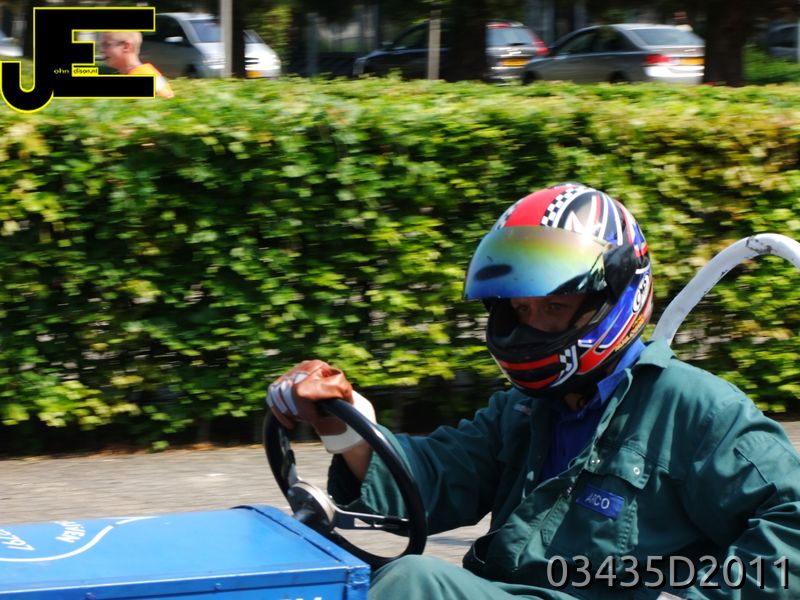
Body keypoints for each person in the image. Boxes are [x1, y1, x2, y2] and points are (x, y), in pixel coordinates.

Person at [267, 183, 800, 599]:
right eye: (522, 309)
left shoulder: (696, 409)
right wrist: (341, 420)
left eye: (555, 307)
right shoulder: (526, 409)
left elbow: (792, 527)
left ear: (611, 300)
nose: (532, 327)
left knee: (414, 583)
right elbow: (432, 478)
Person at [100, 31, 174, 98]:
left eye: (107, 45)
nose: (101, 50)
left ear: (126, 47)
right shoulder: (143, 72)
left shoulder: (142, 75)